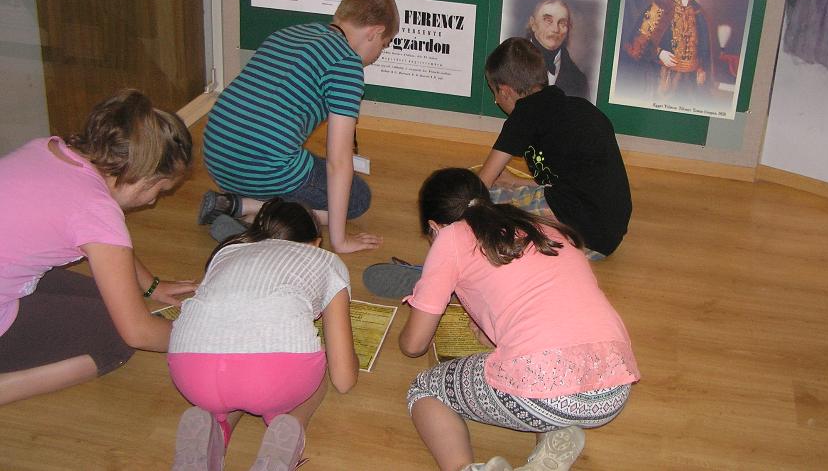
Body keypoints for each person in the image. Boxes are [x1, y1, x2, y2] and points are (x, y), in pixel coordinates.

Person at [399, 168, 639, 471]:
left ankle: (464, 468)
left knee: (425, 389)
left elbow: (414, 345)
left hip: (547, 389)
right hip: (613, 387)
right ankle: (551, 444)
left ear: (435, 227)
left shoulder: (450, 236)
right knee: (546, 377)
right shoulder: (539, 225)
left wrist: (410, 324)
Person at [0, 89, 195, 406]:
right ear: (142, 175)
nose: (153, 201)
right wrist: (202, 339)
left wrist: (152, 286)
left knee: (107, 302)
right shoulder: (98, 213)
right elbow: (138, 332)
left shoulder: (49, 148)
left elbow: (112, 247)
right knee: (117, 338)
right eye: (159, 190)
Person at [198, 0, 399, 253]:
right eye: (383, 45)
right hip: (262, 167)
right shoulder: (346, 63)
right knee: (358, 197)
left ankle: (234, 203)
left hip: (216, 156)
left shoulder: (290, 32)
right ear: (375, 32)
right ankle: (251, 211)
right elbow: (339, 162)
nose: (377, 56)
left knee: (304, 163)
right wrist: (340, 241)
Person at [168, 198, 359, 471]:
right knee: (317, 368)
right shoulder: (326, 261)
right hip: (271, 378)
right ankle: (289, 429)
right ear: (316, 243)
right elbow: (343, 380)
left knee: (234, 379)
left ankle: (215, 431)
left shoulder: (227, 252)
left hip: (192, 372)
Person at [478, 37, 632, 258]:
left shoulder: (524, 114)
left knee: (487, 201)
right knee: (509, 194)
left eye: (494, 94)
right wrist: (515, 182)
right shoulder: (578, 109)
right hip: (605, 239)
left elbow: (481, 184)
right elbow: (570, 184)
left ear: (504, 91)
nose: (496, 101)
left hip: (581, 230)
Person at [626, 0, 713, 103]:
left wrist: (701, 68)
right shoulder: (661, 6)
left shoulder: (698, 11)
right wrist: (658, 53)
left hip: (691, 80)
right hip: (663, 77)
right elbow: (639, 39)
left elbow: (704, 47)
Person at [524, 0, 590, 100]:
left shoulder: (579, 80)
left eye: (562, 23)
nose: (555, 29)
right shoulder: (510, 59)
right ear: (533, 24)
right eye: (548, 20)